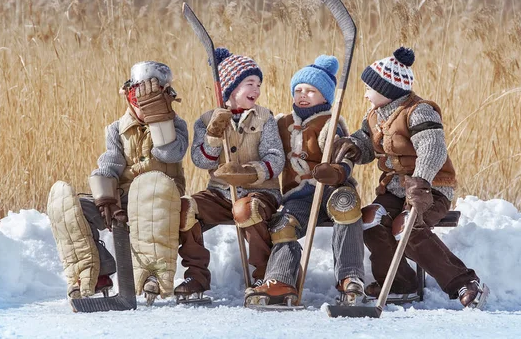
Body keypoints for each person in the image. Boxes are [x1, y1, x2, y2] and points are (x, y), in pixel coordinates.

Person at [332, 47, 486, 307]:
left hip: (431, 188)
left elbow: (432, 149)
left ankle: (464, 282)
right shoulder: (375, 115)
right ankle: (400, 283)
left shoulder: (419, 111)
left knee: (407, 226)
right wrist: (353, 147)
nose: (366, 93)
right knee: (370, 219)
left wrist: (421, 183)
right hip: (394, 189)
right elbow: (368, 144)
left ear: (387, 89)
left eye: (370, 88)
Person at [47, 61, 188, 306]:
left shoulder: (177, 126)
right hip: (124, 196)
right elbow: (110, 163)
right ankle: (93, 272)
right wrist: (106, 199)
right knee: (70, 207)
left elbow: (170, 154)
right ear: (127, 94)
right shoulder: (116, 129)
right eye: (138, 96)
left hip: (161, 197)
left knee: (151, 190)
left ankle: (151, 273)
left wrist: (158, 120)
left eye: (152, 97)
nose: (143, 104)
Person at [246, 55, 365, 306]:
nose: (303, 94)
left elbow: (344, 153)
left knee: (346, 205)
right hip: (299, 196)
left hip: (330, 190)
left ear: (325, 96)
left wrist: (336, 170)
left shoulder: (329, 124)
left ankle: (349, 276)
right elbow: (265, 148)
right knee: (283, 224)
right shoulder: (282, 123)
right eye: (298, 90)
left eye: (311, 91)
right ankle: (281, 280)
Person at [175, 48, 285, 302]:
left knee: (246, 210)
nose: (256, 89)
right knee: (185, 208)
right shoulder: (206, 120)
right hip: (220, 193)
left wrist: (247, 173)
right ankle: (196, 276)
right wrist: (213, 134)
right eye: (249, 83)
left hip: (260, 192)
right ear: (231, 87)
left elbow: (276, 158)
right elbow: (201, 160)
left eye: (258, 83)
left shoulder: (265, 118)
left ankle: (263, 276)